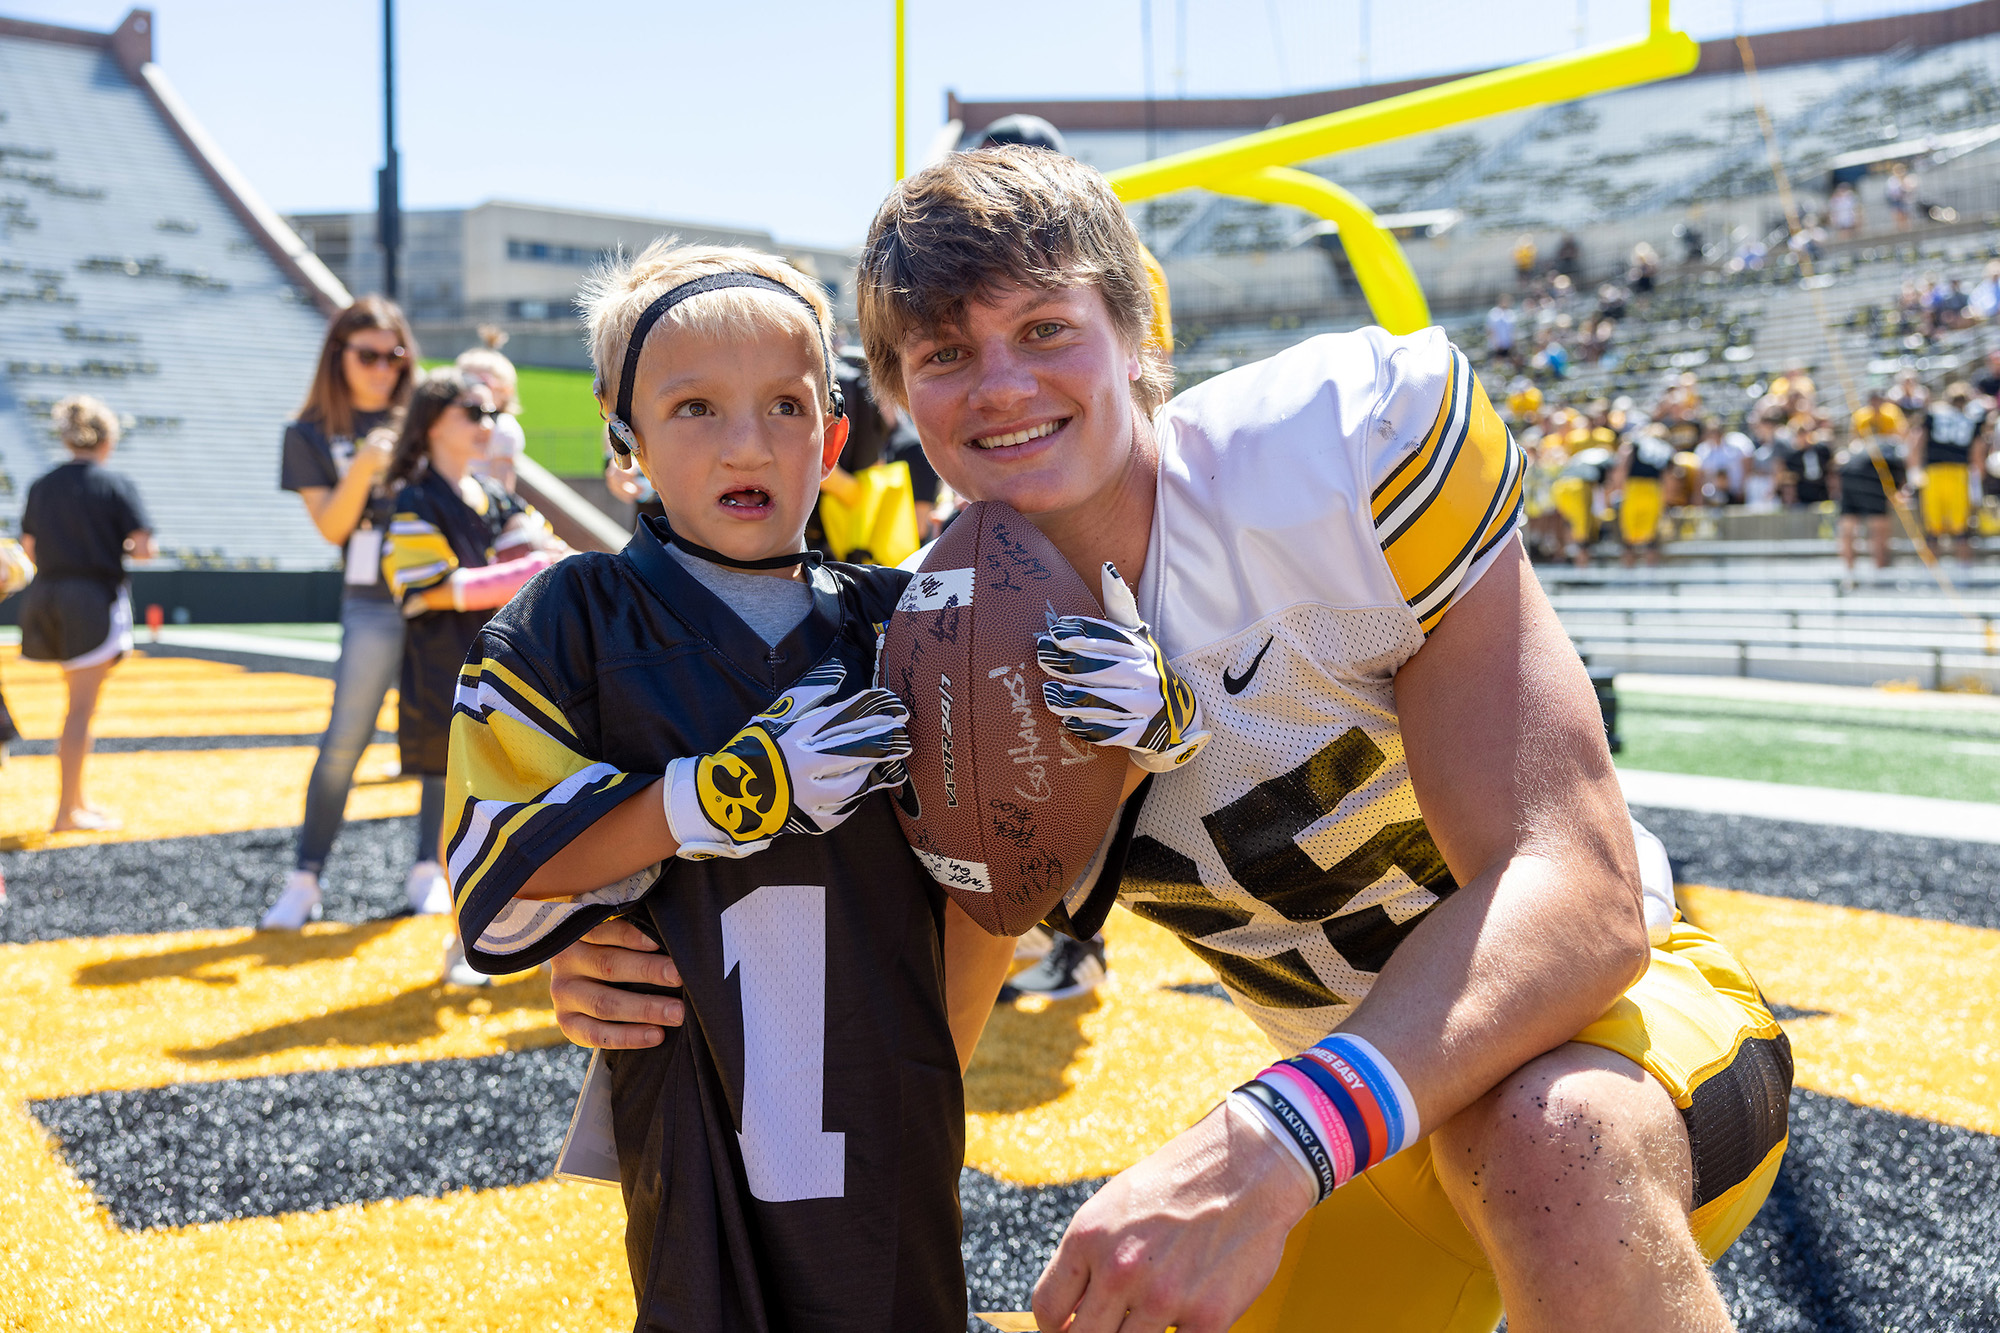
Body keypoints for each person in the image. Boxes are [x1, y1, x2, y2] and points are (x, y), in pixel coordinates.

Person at [554, 147, 1792, 1333]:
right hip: (1368, 1156)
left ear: (1139, 332)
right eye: (944, 353)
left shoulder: (1331, 454)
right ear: (890, 399)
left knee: (1544, 1135)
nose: (999, 385)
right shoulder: (926, 650)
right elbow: (910, 1025)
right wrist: (659, 989)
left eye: (1043, 328)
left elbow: (1577, 899)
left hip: (1603, 1054)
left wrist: (1268, 1143)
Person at [447, 242, 974, 1329]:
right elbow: (506, 861)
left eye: (784, 405)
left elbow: (1039, 826)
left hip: (889, 1123)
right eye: (693, 406)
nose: (747, 440)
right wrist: (712, 797)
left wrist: (1139, 715)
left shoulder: (911, 618)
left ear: (831, 436)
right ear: (622, 435)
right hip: (696, 1127)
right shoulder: (570, 621)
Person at [378, 368, 568, 984]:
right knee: (465, 815)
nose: (490, 424)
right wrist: (522, 570)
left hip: (514, 671)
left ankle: (528, 936)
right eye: (474, 412)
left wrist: (535, 557)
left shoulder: (496, 494)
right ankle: (465, 942)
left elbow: (553, 552)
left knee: (532, 804)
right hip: (448, 673)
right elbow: (431, 589)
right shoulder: (413, 498)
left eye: (492, 413)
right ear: (433, 420)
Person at [262, 296, 423, 930]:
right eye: (368, 355)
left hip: (440, 597)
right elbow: (332, 525)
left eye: (395, 355)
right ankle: (304, 876)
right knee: (343, 741)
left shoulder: (426, 416)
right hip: (371, 601)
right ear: (339, 356)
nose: (383, 368)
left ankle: (429, 873)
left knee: (442, 742)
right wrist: (364, 466)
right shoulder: (307, 432)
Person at [17, 395, 154, 832]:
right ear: (106, 438)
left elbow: (30, 548)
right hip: (91, 599)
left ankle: (76, 802)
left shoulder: (42, 484)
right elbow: (144, 547)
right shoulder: (114, 484)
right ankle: (66, 813)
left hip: (45, 596)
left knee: (76, 706)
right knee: (80, 711)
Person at [1907, 381, 1988, 565]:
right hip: (1959, 474)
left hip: (1934, 473)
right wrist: (1977, 482)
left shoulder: (1934, 415)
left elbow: (1916, 443)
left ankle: (1932, 573)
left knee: (1932, 529)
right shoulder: (1971, 419)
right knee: (1962, 528)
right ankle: (1964, 571)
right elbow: (1977, 454)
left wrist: (1914, 472)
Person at [1835, 389, 1909, 574]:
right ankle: (1865, 571)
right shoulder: (1861, 417)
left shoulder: (1891, 414)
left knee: (1853, 525)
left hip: (1863, 470)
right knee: (1875, 526)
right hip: (1872, 473)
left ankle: (1858, 571)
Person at [456, 326, 527, 494]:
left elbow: (502, 487)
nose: (473, 390)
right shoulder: (456, 421)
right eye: (465, 382)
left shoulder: (502, 428)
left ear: (505, 391)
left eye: (483, 383)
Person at [1611, 422, 1674, 566]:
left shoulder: (1636, 442)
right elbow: (1668, 477)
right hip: (1654, 490)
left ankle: (1629, 572)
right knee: (1650, 538)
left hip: (1633, 488)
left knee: (1628, 538)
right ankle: (1650, 575)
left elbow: (1622, 465)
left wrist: (1617, 488)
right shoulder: (1666, 449)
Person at [1484, 293, 1516, 366]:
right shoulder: (1494, 313)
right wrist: (1495, 344)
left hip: (1507, 345)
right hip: (1496, 346)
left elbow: (1512, 330)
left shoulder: (1510, 313)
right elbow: (1490, 330)